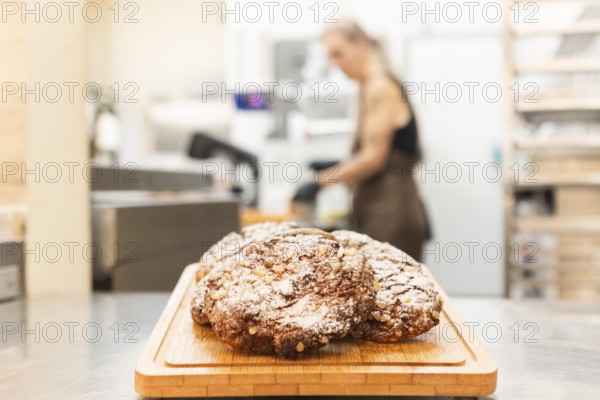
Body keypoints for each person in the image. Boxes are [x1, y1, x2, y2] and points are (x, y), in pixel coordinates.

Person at [295, 20, 430, 261]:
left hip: (392, 214)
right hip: (376, 210)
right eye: (331, 57)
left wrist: (320, 181)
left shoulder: (380, 87)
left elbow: (373, 158)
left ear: (361, 43)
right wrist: (336, 164)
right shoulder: (366, 87)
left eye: (339, 54)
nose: (336, 64)